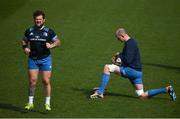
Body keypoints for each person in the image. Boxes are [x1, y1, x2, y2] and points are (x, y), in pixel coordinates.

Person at [90, 28, 176, 101]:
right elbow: (126, 57)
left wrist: (118, 59)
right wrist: (118, 56)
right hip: (137, 73)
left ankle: (100, 92)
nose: (118, 40)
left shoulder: (130, 43)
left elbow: (128, 60)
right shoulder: (131, 42)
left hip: (131, 71)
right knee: (142, 95)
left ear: (122, 36)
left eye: (118, 38)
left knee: (107, 67)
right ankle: (167, 89)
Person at [22, 10, 60, 111]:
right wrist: (25, 48)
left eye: (40, 19)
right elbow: (24, 41)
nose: (38, 21)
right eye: (36, 19)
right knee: (32, 81)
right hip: (33, 59)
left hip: (45, 60)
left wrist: (51, 45)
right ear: (34, 20)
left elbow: (58, 42)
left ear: (44, 20)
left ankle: (47, 103)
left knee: (46, 81)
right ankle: (30, 102)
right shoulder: (29, 31)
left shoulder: (49, 31)